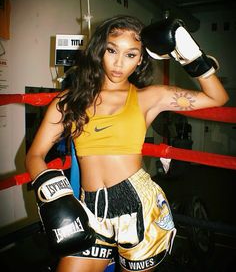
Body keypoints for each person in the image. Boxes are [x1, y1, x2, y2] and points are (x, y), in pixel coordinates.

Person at [25, 15, 228, 272]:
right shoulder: (68, 101)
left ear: (141, 59)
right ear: (100, 50)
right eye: (112, 50)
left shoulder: (150, 96)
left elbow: (217, 97)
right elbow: (34, 156)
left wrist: (190, 56)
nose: (119, 63)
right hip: (91, 210)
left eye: (131, 55)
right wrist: (55, 198)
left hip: (139, 207)